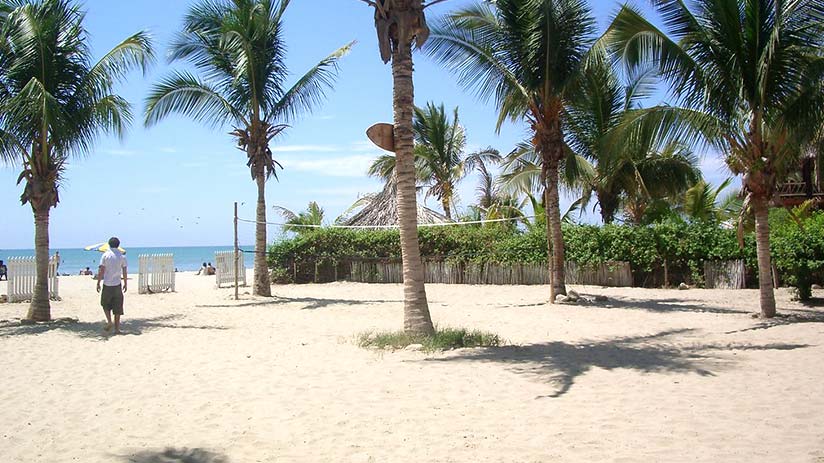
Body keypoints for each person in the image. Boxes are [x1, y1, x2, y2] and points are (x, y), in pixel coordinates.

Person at [96, 237, 127, 334]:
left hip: (107, 284)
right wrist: (126, 283)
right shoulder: (122, 256)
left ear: (109, 244)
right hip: (117, 284)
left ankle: (109, 321)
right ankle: (117, 329)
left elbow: (101, 270)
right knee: (118, 307)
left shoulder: (105, 255)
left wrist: (98, 282)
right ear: (118, 245)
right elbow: (125, 271)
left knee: (105, 304)